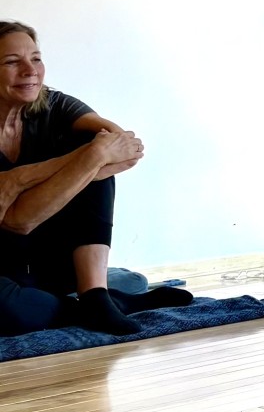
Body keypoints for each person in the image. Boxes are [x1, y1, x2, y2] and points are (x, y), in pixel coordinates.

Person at [0, 21, 184, 335]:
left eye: (36, 58)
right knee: (8, 311)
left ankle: (95, 294)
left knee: (90, 143)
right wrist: (88, 159)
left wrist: (19, 179)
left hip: (47, 257)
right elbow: (18, 222)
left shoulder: (54, 104)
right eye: (12, 62)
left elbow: (123, 146)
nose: (30, 70)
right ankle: (107, 302)